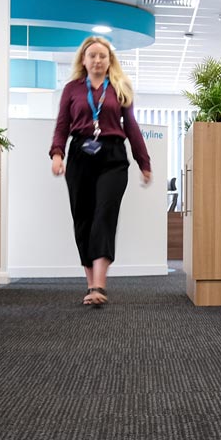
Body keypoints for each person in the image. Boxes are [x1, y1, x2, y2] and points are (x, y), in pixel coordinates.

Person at [50, 35, 154, 307]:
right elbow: (62, 124)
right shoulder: (72, 89)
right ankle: (90, 284)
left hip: (112, 156)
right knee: (83, 218)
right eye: (92, 56)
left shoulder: (120, 87)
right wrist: (57, 154)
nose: (97, 60)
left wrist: (144, 162)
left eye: (102, 56)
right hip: (80, 156)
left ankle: (100, 284)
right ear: (83, 60)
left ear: (110, 61)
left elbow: (131, 127)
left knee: (104, 215)